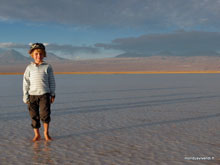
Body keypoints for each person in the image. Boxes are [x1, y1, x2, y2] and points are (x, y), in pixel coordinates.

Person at [23, 43, 56, 141]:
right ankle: (37, 134)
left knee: (45, 114)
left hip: (44, 95)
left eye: (41, 54)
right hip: (32, 95)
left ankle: (46, 133)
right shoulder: (29, 68)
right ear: (32, 55)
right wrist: (25, 96)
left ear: (44, 54)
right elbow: (25, 82)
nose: (38, 56)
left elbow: (51, 81)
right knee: (34, 116)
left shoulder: (47, 67)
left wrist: (52, 94)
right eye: (36, 54)